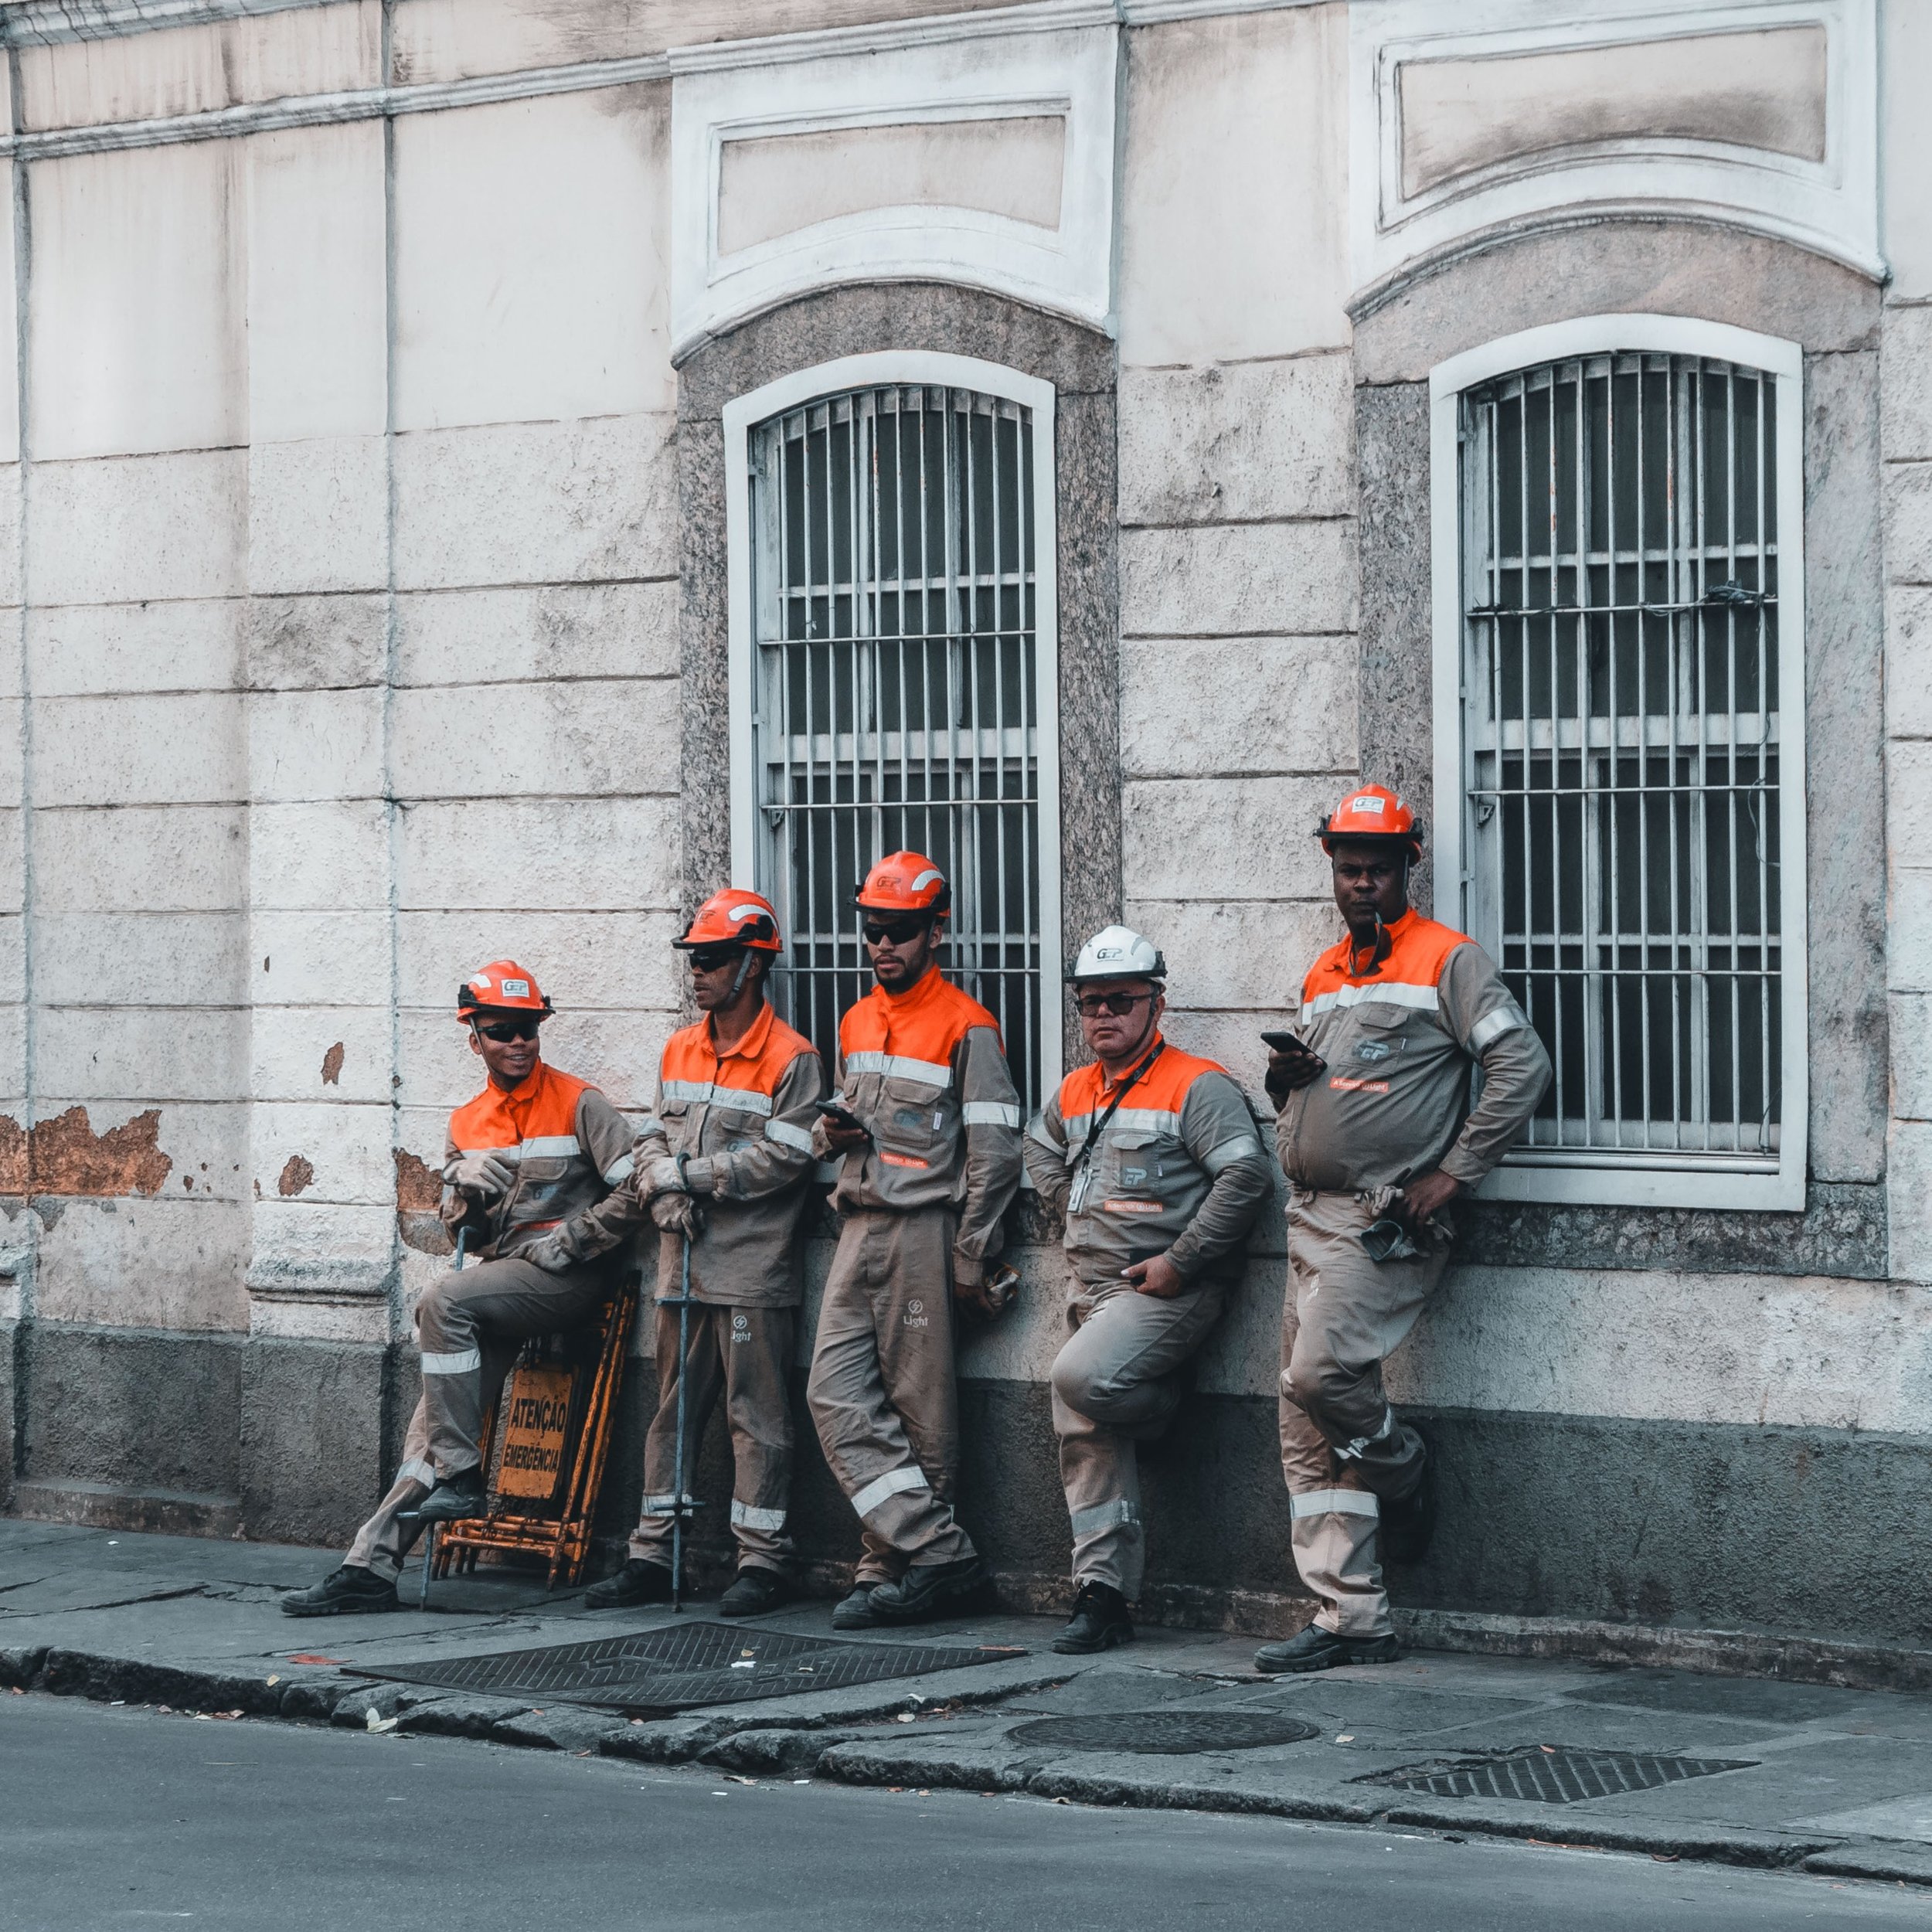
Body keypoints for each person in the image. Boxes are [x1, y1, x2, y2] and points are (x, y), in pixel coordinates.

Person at [1256, 787, 1551, 1673]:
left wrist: (1455, 1171)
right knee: (1301, 1419)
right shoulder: (1322, 971)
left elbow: (1520, 1063)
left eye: (1377, 869)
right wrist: (1289, 1083)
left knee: (1319, 1374)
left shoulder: (1448, 960)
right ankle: (1350, 1617)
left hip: (1379, 1220)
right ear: (1332, 872)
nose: (1361, 884)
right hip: (1306, 1217)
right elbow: (1331, 1091)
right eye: (1348, 870)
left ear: (1406, 867)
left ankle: (1400, 1466)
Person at [282, 962, 636, 1616]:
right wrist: (467, 1197)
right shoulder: (467, 1121)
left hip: (567, 1280)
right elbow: (461, 1236)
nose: (519, 1042)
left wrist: (578, 1237)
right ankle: (371, 1565)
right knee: (432, 1432)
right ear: (474, 1038)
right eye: (503, 1031)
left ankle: (462, 1476)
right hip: (496, 1289)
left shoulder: (580, 1101)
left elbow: (637, 1187)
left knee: (439, 1303)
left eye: (529, 1027)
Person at [547, 889, 827, 1617]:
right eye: (694, 959)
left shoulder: (793, 1059)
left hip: (751, 1270)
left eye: (712, 959)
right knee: (670, 1411)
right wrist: (659, 1190)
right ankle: (652, 1553)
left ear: (754, 966)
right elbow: (652, 1137)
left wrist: (690, 1178)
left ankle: (762, 1560)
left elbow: (784, 1159)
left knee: (755, 1416)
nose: (697, 972)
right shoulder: (681, 1046)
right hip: (682, 1266)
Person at [1026, 926, 1274, 1654]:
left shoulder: (1197, 1084)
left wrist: (1182, 1261)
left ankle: (1161, 1407)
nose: (1105, 1015)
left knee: (1077, 1379)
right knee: (1084, 1426)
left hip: (1164, 1290)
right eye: (1090, 1003)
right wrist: (1069, 1198)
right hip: (1091, 1288)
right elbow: (1038, 1150)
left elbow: (1247, 1177)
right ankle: (1102, 1595)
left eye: (1122, 1000)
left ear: (1155, 1004)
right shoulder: (1076, 1090)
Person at [808, 852, 1024, 1628]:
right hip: (857, 1222)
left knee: (917, 1410)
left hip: (923, 1232)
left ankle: (891, 1566)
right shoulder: (857, 1019)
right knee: (833, 1392)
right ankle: (938, 1553)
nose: (882, 946)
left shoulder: (969, 1025)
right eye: (871, 931)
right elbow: (841, 1119)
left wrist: (969, 1252)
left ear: (936, 929)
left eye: (897, 931)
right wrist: (827, 1133)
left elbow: (997, 1153)